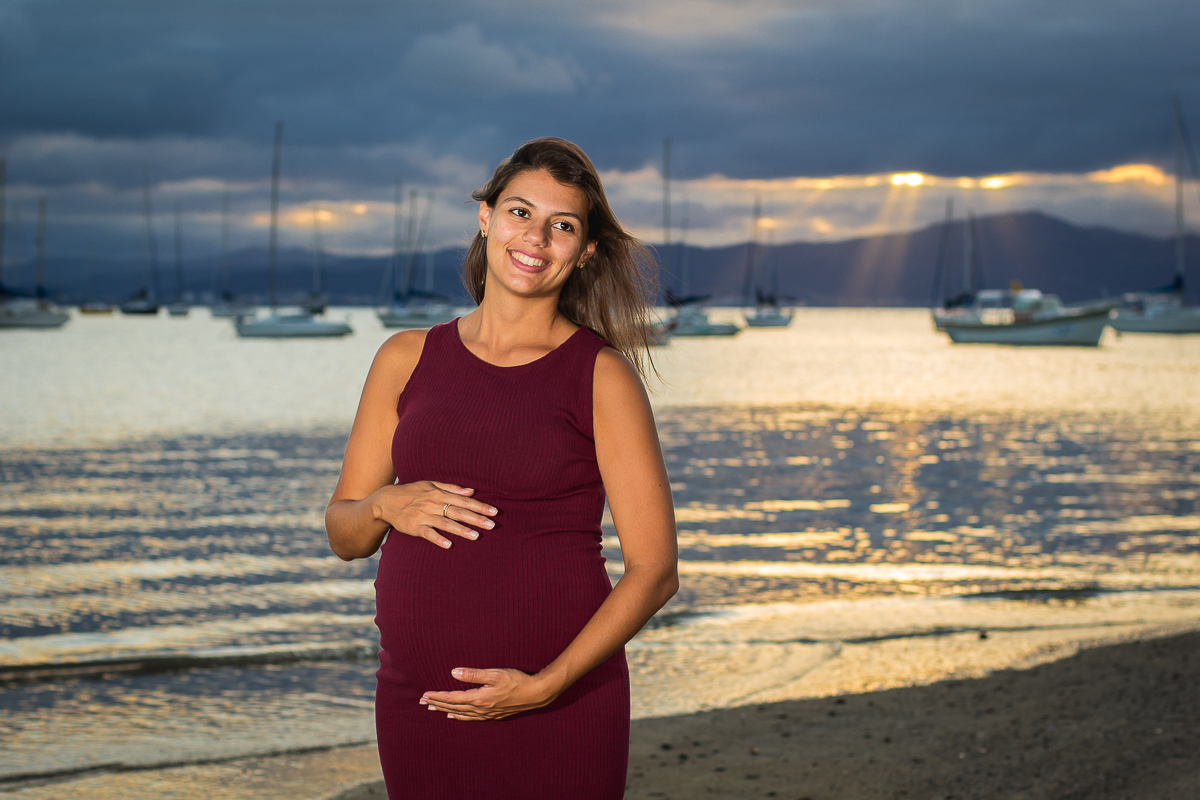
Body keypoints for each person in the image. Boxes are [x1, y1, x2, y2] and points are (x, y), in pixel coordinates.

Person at [325, 137, 679, 799]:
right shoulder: (406, 359)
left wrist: (546, 685)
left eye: (563, 225)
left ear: (586, 252)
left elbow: (655, 571)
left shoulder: (600, 376)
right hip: (422, 700)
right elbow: (343, 534)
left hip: (563, 698)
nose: (536, 238)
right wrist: (382, 506)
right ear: (485, 216)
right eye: (520, 212)